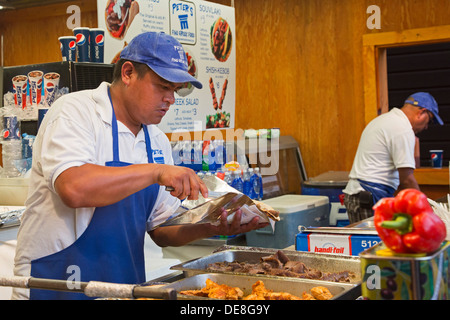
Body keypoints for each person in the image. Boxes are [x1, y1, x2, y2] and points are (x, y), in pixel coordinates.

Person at [12, 32, 267, 300]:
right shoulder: (75, 112)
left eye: (175, 90)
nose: (171, 99)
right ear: (128, 73)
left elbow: (160, 228)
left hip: (121, 286)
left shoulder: (155, 139)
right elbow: (74, 188)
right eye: (163, 86)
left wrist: (212, 227)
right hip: (56, 283)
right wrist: (155, 172)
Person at [343, 92, 443, 224]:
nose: (426, 127)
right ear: (421, 112)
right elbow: (406, 179)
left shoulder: (385, 120)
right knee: (373, 244)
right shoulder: (402, 128)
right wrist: (427, 210)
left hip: (363, 195)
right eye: (429, 120)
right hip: (368, 196)